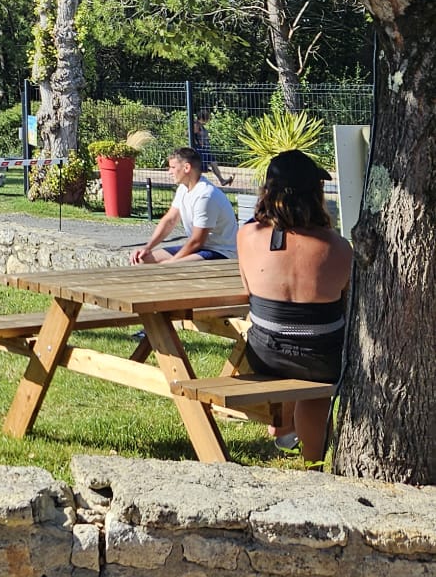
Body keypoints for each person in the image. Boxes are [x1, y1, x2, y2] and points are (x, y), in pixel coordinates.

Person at [236, 148, 350, 461]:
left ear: (267, 192)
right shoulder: (338, 247)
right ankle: (312, 460)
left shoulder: (247, 235)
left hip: (265, 355)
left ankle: (282, 427)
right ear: (316, 195)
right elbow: (344, 300)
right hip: (322, 358)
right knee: (316, 388)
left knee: (272, 337)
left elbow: (249, 292)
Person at [130, 147, 239, 265]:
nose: (169, 172)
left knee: (168, 267)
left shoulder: (205, 196)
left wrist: (171, 261)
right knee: (141, 260)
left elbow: (197, 241)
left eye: (173, 167)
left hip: (221, 252)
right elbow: (170, 220)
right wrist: (147, 247)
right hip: (200, 248)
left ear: (186, 168)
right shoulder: (183, 188)